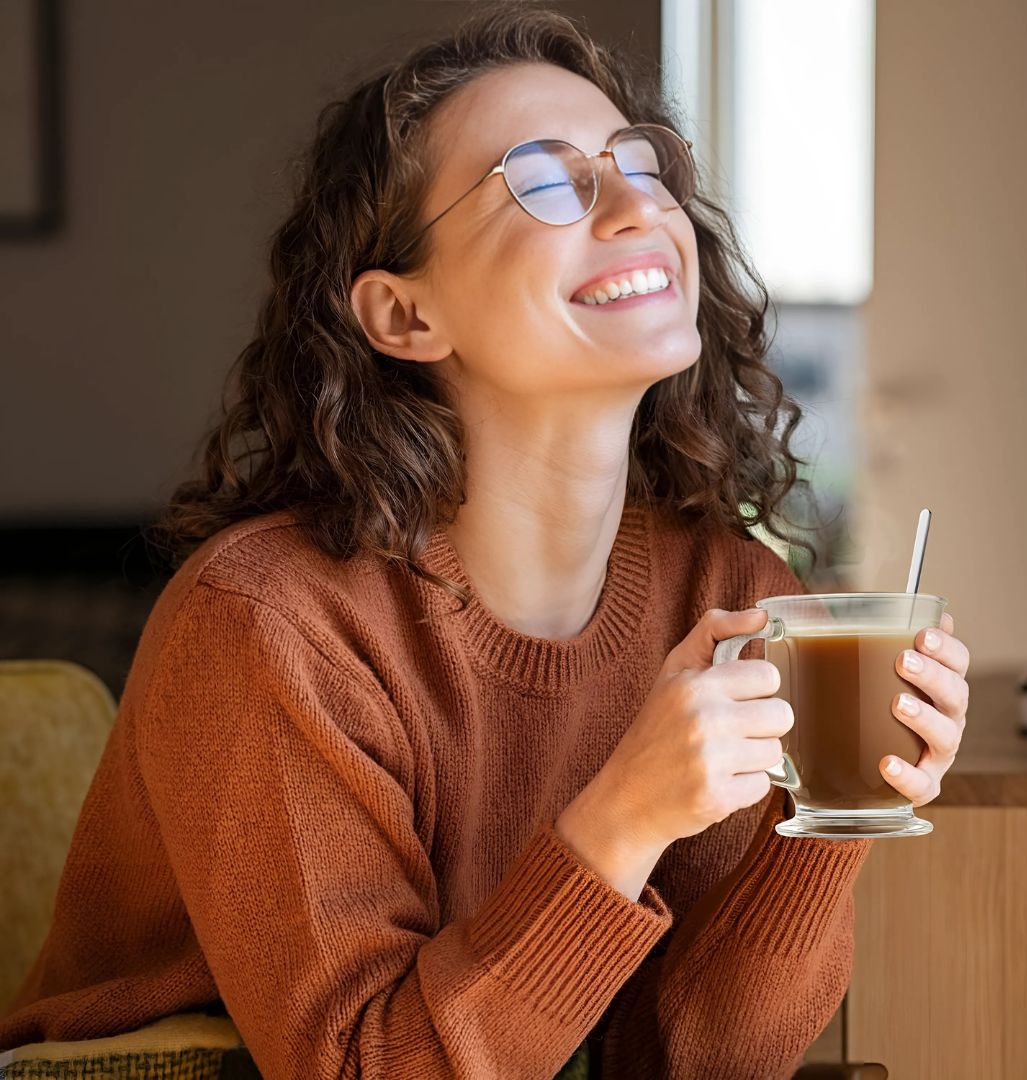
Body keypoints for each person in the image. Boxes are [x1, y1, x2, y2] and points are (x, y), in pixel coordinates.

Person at [0, 5, 972, 1078]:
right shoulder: (270, 626)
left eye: (641, 164)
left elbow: (688, 1060)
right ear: (405, 317)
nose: (638, 208)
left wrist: (832, 810)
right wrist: (624, 817)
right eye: (546, 182)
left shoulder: (729, 590)